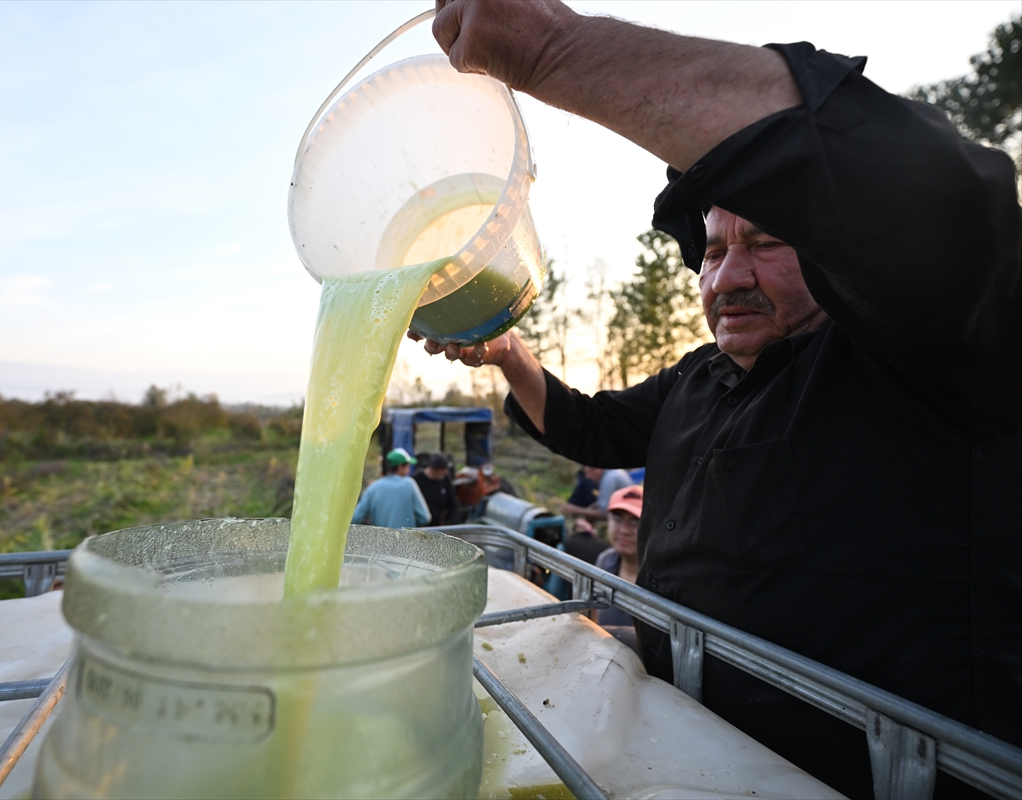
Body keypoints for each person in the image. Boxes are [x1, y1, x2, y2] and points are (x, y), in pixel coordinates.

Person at [416, 2, 1020, 796]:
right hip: (684, 754)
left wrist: (555, 49)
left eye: (767, 242)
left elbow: (938, 202)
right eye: (711, 252)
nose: (727, 277)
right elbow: (589, 426)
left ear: (839, 254)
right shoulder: (696, 378)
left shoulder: (924, 355)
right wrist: (505, 351)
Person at [594, 486, 643, 635]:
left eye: (636, 522)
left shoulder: (664, 579)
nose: (624, 530)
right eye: (618, 518)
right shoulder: (605, 561)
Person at [351, 447, 431, 529]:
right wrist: (409, 524)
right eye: (407, 467)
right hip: (405, 540)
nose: (408, 471)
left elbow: (356, 518)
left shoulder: (373, 488)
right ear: (400, 466)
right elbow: (425, 518)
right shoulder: (409, 484)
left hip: (380, 540)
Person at [559, 465, 633, 522]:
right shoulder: (612, 472)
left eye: (588, 473)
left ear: (598, 470)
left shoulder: (608, 479)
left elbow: (604, 514)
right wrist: (591, 507)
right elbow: (607, 501)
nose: (587, 477)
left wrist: (575, 509)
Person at [413, 452, 459, 527]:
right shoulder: (416, 480)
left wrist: (455, 522)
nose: (445, 472)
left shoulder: (445, 479)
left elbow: (452, 502)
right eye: (443, 469)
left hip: (438, 526)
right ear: (435, 469)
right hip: (421, 527)